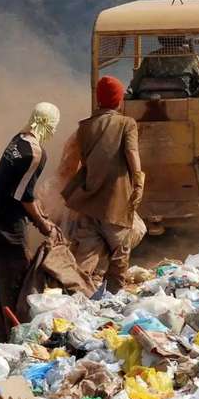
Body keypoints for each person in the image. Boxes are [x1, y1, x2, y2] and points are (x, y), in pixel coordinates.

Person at [0, 102, 60, 342]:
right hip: (9, 228)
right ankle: (18, 338)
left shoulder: (17, 141)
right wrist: (43, 225)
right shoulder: (34, 153)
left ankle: (3, 334)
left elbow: (22, 190)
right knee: (18, 283)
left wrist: (42, 217)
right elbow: (24, 196)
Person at [62, 76, 144, 294]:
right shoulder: (127, 123)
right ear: (118, 100)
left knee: (87, 252)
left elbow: (74, 162)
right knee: (120, 249)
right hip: (115, 201)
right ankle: (114, 295)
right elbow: (132, 152)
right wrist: (138, 182)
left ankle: (75, 294)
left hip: (88, 200)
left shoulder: (84, 127)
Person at [128, 36, 199, 98]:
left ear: (161, 40)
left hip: (152, 101)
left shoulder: (151, 57)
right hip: (183, 97)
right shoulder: (188, 57)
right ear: (182, 39)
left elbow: (135, 84)